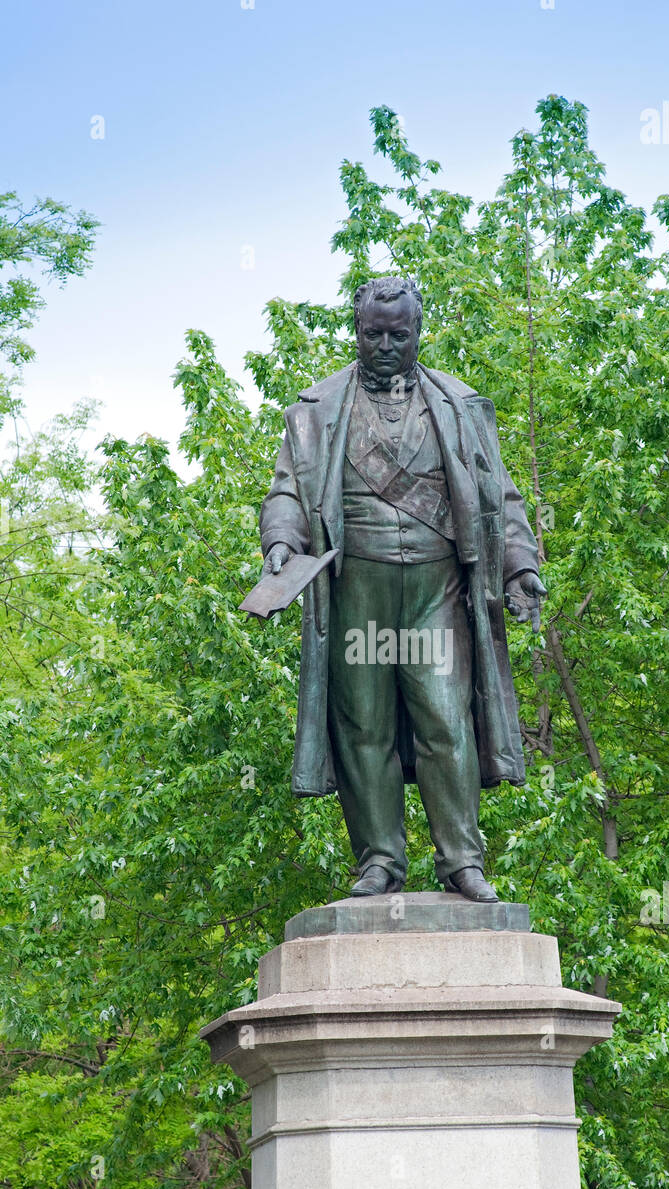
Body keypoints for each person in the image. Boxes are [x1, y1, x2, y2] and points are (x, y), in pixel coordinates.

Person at [259, 276, 545, 901]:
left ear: (419, 332)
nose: (385, 344)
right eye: (373, 334)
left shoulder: (462, 406)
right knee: (364, 726)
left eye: (399, 334)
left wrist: (521, 566)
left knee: (446, 720)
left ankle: (462, 860)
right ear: (355, 331)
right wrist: (281, 542)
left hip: (435, 590)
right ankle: (380, 860)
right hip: (357, 585)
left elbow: (502, 498)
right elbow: (287, 490)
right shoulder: (315, 410)